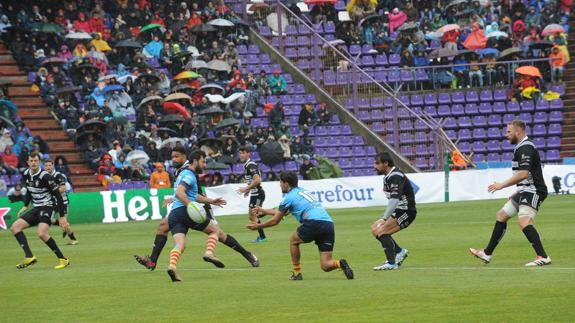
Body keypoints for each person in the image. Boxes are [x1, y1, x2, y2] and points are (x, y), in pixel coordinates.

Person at [134, 148, 259, 275]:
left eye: (177, 156)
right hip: (187, 206)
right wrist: (176, 198)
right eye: (172, 157)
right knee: (163, 227)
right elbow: (183, 191)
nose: (174, 159)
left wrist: (202, 202)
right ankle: (152, 261)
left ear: (185, 157)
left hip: (199, 206)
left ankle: (246, 254)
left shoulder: (188, 170)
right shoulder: (182, 170)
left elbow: (191, 192)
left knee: (219, 234)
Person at [470, 120, 551, 267]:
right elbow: (526, 175)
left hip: (534, 190)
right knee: (501, 215)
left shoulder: (525, 148)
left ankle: (543, 256)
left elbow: (523, 174)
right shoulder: (521, 147)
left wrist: (501, 185)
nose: (506, 134)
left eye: (509, 131)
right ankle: (487, 253)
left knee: (524, 221)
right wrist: (517, 191)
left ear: (518, 132)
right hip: (525, 190)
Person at [247, 171, 354, 281]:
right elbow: (284, 213)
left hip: (313, 222)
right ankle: (340, 263)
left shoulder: (288, 197)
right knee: (325, 265)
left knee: (294, 241)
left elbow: (275, 221)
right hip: (328, 224)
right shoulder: (303, 192)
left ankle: (297, 273)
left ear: (286, 184)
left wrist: (258, 226)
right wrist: (263, 210)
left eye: (280, 182)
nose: (279, 185)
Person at [164, 148, 227, 282]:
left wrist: (211, 201)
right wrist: (190, 205)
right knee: (215, 230)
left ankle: (172, 266)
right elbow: (180, 193)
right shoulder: (189, 175)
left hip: (174, 214)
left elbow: (193, 195)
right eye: (203, 162)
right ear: (195, 161)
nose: (204, 165)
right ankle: (209, 253)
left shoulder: (182, 174)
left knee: (180, 244)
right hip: (185, 211)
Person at [10, 152, 69, 270]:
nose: (33, 163)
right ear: (28, 162)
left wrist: (62, 217)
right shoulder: (26, 174)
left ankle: (63, 259)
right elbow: (29, 190)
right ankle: (29, 257)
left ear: (39, 162)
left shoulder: (45, 176)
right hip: (36, 207)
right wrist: (25, 205)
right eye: (31, 161)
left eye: (36, 161)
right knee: (15, 227)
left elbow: (58, 195)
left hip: (47, 206)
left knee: (42, 233)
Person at [370, 152, 416, 270]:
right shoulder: (388, 175)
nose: (374, 166)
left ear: (386, 164)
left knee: (382, 231)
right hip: (399, 210)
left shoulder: (395, 176)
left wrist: (384, 218)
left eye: (377, 163)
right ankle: (400, 252)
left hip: (407, 211)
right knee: (375, 229)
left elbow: (394, 199)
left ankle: (391, 263)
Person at [44, 159, 78, 245]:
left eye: (49, 165)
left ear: (52, 166)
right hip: (52, 203)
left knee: (64, 224)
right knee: (48, 219)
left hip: (63, 202)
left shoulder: (58, 175)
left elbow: (63, 188)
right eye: (46, 166)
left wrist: (52, 191)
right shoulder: (44, 177)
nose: (48, 167)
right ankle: (62, 224)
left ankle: (73, 239)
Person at [237, 146, 267, 243]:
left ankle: (262, 237)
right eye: (240, 153)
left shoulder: (250, 165)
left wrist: (246, 188)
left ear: (248, 154)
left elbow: (257, 180)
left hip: (258, 194)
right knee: (252, 215)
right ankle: (272, 212)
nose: (241, 155)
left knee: (254, 214)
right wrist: (248, 190)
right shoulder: (247, 165)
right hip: (255, 194)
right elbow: (253, 181)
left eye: (243, 153)